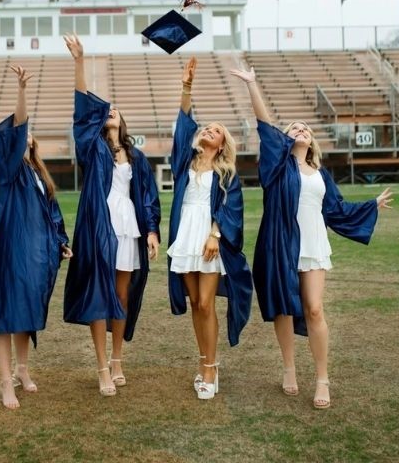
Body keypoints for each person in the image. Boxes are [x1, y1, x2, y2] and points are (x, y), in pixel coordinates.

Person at [230, 66, 393, 409]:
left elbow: (336, 210)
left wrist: (371, 205)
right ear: (286, 139)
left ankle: (322, 378)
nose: (301, 129)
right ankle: (289, 368)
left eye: (305, 127)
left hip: (313, 245)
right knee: (285, 310)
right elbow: (265, 125)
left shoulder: (320, 174)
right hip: (280, 245)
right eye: (294, 128)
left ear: (311, 139)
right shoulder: (277, 166)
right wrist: (252, 84)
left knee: (314, 310)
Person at [63, 35, 161, 396]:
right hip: (99, 228)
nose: (110, 111)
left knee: (121, 296)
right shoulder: (92, 149)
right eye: (105, 110)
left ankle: (117, 358)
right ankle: (102, 367)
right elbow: (81, 111)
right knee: (99, 297)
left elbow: (148, 198)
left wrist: (151, 232)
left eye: (114, 109)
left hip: (128, 229)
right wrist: (79, 63)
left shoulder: (136, 157)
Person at [0, 65, 72, 409]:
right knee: (5, 311)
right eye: (22, 134)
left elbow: (53, 213)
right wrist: (21, 90)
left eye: (30, 135)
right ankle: (5, 381)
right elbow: (18, 125)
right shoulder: (5, 171)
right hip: (9, 249)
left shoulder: (39, 176)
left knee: (26, 310)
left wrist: (61, 241)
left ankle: (22, 369)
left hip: (35, 253)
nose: (26, 137)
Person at [167, 57, 253, 400]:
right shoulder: (184, 163)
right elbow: (183, 124)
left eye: (215, 130)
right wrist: (186, 86)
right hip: (185, 232)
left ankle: (211, 369)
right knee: (194, 304)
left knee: (206, 302)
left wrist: (216, 233)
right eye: (206, 128)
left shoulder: (227, 172)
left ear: (221, 143)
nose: (207, 130)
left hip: (208, 234)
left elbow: (232, 206)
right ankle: (203, 362)